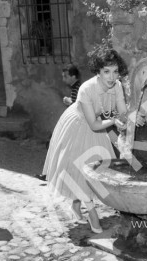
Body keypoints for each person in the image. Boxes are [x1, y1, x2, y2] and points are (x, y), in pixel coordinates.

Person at [42, 49, 140, 233]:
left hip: (98, 123)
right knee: (78, 167)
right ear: (98, 71)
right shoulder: (86, 89)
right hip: (78, 124)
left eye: (115, 71)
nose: (112, 77)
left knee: (94, 168)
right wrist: (114, 121)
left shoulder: (117, 86)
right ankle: (92, 213)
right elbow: (94, 125)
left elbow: (121, 113)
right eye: (106, 71)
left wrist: (130, 117)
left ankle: (76, 205)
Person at [35, 64, 81, 181]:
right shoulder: (76, 87)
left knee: (56, 146)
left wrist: (69, 101)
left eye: (65, 76)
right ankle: (50, 173)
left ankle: (51, 174)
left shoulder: (77, 88)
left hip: (74, 125)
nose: (63, 79)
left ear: (73, 76)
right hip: (73, 124)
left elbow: (78, 107)